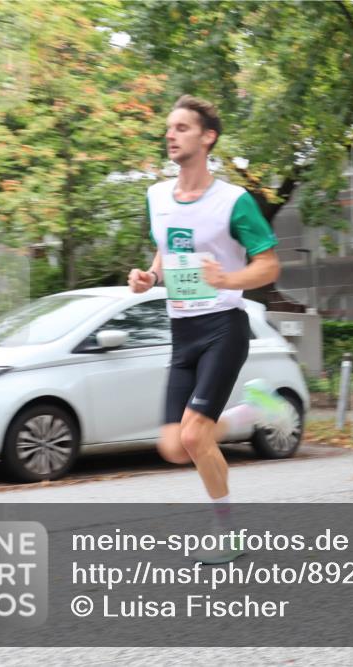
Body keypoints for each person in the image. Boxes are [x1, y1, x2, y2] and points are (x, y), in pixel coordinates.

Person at [128, 94, 286, 561]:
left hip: (223, 325)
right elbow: (166, 246)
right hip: (182, 330)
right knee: (174, 446)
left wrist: (228, 279)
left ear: (207, 137)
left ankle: (229, 534)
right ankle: (254, 411)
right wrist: (150, 277)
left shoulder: (234, 201)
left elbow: (270, 266)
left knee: (196, 437)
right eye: (169, 128)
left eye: (181, 128)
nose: (170, 135)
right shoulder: (157, 195)